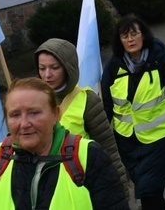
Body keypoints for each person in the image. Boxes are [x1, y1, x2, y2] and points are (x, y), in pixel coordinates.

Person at [0, 77, 127, 209]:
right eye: (15, 115)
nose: (24, 123)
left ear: (56, 114)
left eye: (34, 113)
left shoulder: (87, 157)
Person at [101, 14, 165, 210]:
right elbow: (107, 105)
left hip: (160, 139)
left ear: (143, 35)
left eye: (134, 34)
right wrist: (100, 139)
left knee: (149, 189)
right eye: (125, 36)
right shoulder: (113, 67)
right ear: (120, 40)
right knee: (147, 190)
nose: (130, 39)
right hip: (127, 141)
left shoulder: (160, 60)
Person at [34, 38, 128, 190]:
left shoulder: (88, 100)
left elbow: (108, 149)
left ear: (68, 67)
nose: (47, 74)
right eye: (42, 68)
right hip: (45, 188)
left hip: (81, 185)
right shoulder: (32, 100)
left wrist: (120, 189)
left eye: (54, 67)